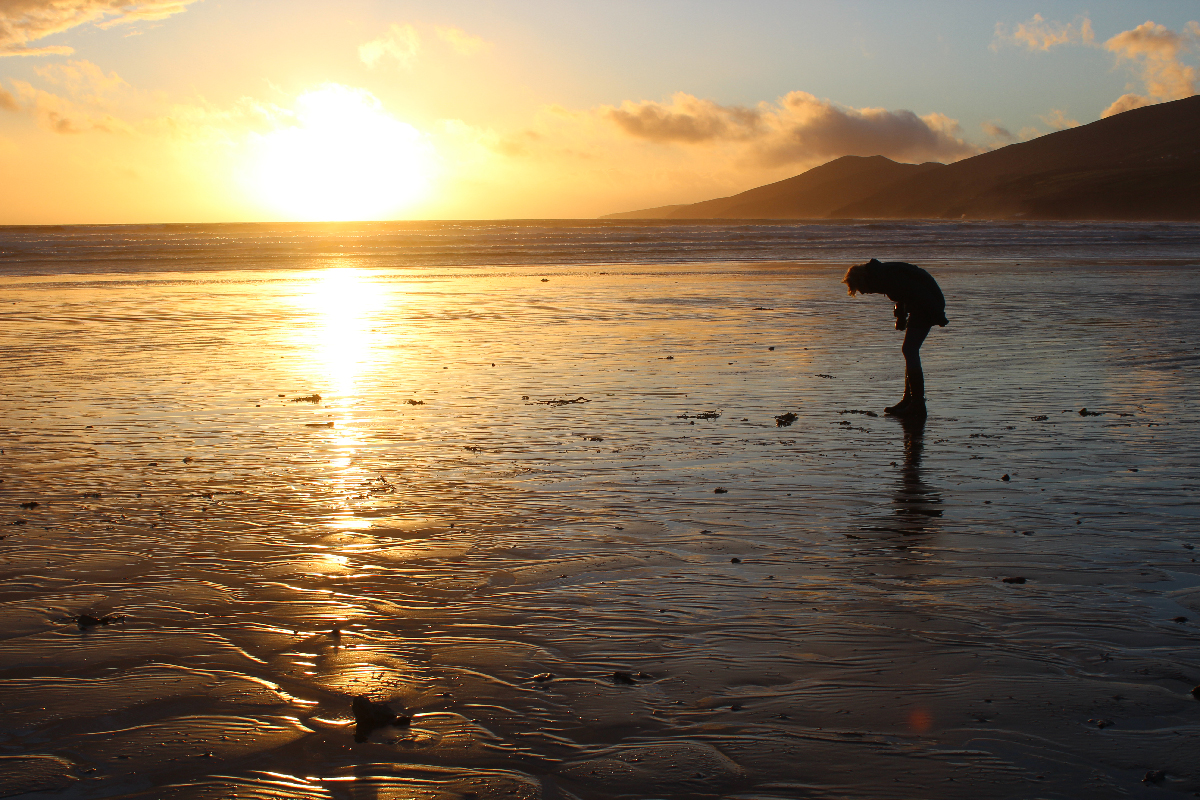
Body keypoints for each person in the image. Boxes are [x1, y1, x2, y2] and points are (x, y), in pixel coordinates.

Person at [842, 259, 948, 418]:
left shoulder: (886, 276)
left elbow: (917, 291)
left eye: (860, 288)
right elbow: (902, 295)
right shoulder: (881, 275)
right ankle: (908, 400)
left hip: (928, 303)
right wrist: (900, 316)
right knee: (909, 350)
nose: (863, 292)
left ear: (863, 279)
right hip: (921, 304)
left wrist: (938, 315)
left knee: (910, 350)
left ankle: (917, 405)